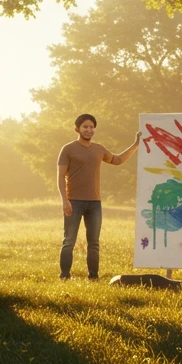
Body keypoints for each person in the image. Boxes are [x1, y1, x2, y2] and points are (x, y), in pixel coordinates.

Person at [57, 114, 141, 280]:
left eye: (91, 127)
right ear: (77, 129)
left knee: (94, 243)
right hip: (74, 202)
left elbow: (117, 160)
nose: (89, 130)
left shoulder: (99, 149)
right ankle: (64, 276)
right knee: (69, 241)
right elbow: (60, 177)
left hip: (94, 203)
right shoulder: (68, 149)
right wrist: (64, 200)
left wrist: (136, 144)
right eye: (85, 127)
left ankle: (93, 277)